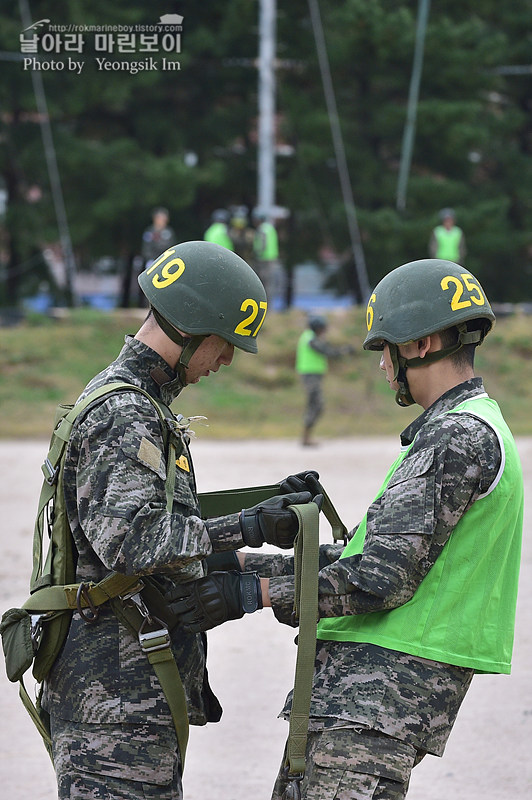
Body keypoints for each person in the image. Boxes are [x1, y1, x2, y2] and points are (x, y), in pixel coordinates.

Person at [172, 258, 524, 800]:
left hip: (376, 703)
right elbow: (367, 557)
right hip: (365, 701)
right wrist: (244, 560)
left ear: (421, 344)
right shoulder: (471, 429)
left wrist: (253, 593)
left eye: (385, 348)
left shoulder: (454, 440)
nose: (384, 366)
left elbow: (380, 578)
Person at [41, 240, 315, 800]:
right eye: (225, 344)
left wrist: (272, 523)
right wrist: (252, 525)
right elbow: (137, 543)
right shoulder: (124, 413)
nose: (227, 360)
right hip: (110, 702)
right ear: (192, 327)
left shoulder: (144, 405)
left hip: (127, 694)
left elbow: (170, 530)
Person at [296, 314, 354, 447]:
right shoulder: (310, 339)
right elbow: (325, 351)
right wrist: (343, 351)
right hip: (310, 376)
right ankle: (306, 438)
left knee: (316, 405)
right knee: (316, 404)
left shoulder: (310, 337)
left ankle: (306, 437)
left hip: (313, 375)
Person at [252, 208, 279, 301]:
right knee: (270, 284)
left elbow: (262, 244)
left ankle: (264, 304)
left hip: (263, 260)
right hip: (272, 258)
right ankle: (270, 306)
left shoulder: (262, 229)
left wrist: (257, 253)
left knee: (263, 284)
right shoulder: (270, 228)